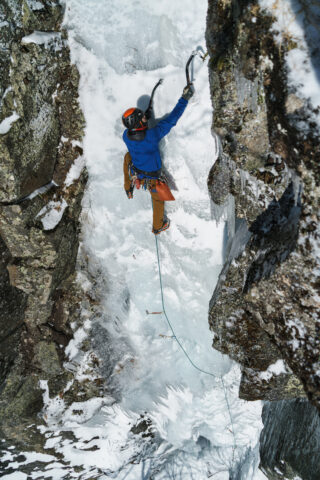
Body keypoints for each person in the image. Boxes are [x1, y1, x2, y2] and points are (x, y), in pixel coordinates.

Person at [122, 84, 194, 235]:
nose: (143, 117)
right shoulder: (152, 136)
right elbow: (172, 120)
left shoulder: (126, 135)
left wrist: (144, 119)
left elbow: (139, 132)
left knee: (127, 157)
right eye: (141, 117)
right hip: (152, 179)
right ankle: (158, 226)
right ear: (139, 124)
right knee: (158, 201)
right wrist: (184, 99)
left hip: (137, 169)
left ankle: (128, 187)